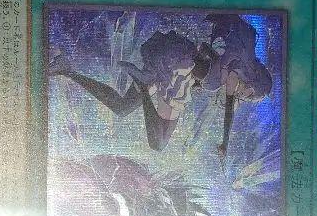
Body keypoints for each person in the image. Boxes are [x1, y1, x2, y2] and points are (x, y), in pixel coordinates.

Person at [50, 13, 273, 155]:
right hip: (175, 70)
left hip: (173, 65)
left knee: (122, 107)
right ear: (253, 83)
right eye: (250, 94)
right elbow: (228, 110)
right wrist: (224, 141)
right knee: (158, 142)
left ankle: (65, 69)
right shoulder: (234, 75)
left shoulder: (233, 63)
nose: (244, 95)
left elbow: (205, 61)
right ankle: (142, 84)